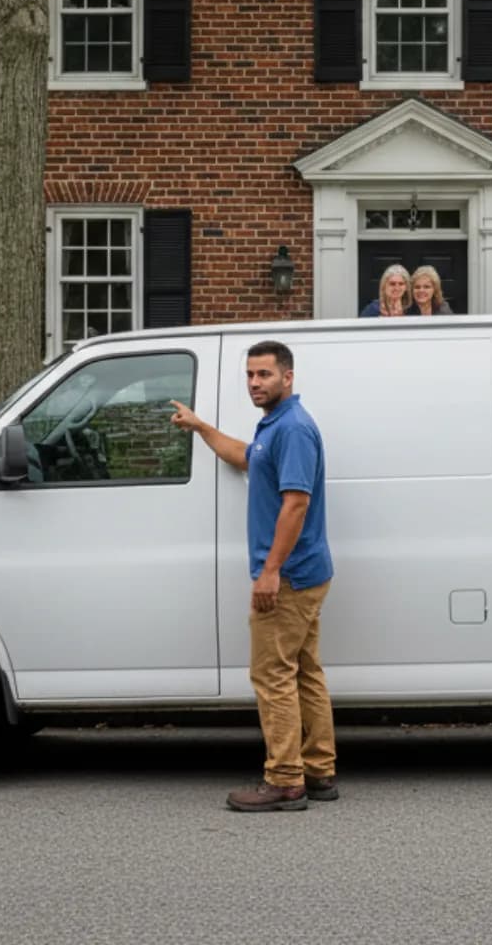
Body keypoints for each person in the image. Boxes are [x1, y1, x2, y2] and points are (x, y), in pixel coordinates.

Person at [171, 340, 335, 812]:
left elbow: (296, 502)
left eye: (264, 374)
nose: (254, 383)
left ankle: (285, 780)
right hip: (302, 573)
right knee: (304, 673)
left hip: (290, 577)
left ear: (288, 377)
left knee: (272, 676)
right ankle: (319, 770)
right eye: (249, 375)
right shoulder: (275, 427)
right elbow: (245, 455)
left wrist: (270, 572)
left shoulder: (295, 429)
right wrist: (201, 427)